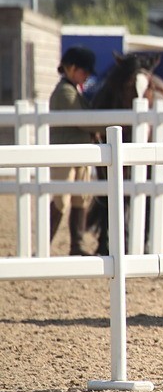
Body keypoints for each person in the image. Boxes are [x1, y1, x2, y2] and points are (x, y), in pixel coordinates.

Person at [49, 46, 99, 255]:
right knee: (61, 199)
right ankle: (46, 242)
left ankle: (76, 245)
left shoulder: (75, 90)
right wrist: (106, 126)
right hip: (66, 153)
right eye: (83, 71)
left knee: (81, 197)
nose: (86, 76)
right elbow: (82, 120)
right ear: (70, 68)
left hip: (80, 152)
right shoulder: (64, 92)